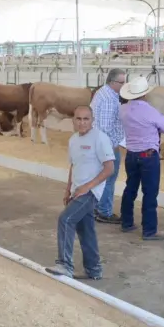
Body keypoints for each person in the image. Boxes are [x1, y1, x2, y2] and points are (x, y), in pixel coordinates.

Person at [45, 105, 115, 280]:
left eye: (86, 119)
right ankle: (94, 270)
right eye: (78, 119)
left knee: (66, 219)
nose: (82, 122)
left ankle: (64, 265)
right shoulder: (73, 140)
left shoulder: (100, 138)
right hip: (77, 191)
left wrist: (87, 187)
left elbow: (109, 169)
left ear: (92, 120)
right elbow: (73, 166)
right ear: (73, 121)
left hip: (90, 193)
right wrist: (68, 189)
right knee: (86, 230)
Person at [119, 76, 164, 241]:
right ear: (144, 94)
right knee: (149, 193)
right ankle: (149, 230)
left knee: (130, 189)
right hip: (148, 156)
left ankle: (126, 222)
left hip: (131, 154)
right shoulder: (149, 110)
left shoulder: (123, 110)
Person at [90, 68, 126, 224]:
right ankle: (104, 212)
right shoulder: (108, 99)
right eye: (122, 82)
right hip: (108, 146)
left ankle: (97, 208)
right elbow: (104, 127)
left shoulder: (103, 93)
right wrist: (110, 149)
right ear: (112, 82)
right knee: (109, 178)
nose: (124, 85)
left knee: (101, 178)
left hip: (101, 143)